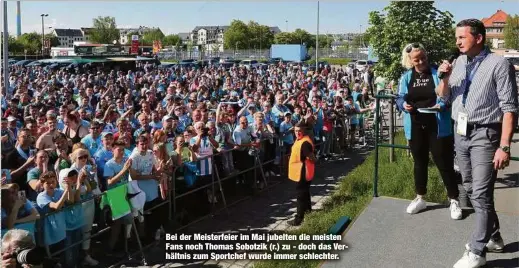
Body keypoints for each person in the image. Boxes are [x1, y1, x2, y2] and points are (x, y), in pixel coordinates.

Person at [437, 19, 518, 268]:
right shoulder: (459, 62)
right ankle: (494, 237)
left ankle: (477, 250)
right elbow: (443, 96)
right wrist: (445, 78)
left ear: (479, 38)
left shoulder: (499, 64)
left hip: (486, 133)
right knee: (471, 188)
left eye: (462, 37)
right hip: (461, 132)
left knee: (481, 192)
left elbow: (509, 109)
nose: (457, 41)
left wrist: (505, 146)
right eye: (457, 37)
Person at [395, 43, 462, 220]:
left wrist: (441, 105)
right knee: (419, 162)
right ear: (410, 60)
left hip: (438, 125)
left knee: (444, 163)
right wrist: (404, 105)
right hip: (416, 124)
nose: (421, 61)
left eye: (423, 57)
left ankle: (454, 199)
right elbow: (400, 97)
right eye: (417, 59)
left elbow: (447, 95)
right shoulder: (406, 77)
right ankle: (420, 197)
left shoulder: (436, 72)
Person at [287, 122, 316, 226]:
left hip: (302, 172)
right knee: (305, 193)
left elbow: (312, 157)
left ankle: (299, 218)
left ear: (304, 130)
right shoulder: (300, 140)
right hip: (301, 171)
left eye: (299, 131)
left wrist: (311, 160)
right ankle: (308, 212)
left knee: (300, 195)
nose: (297, 133)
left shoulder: (304, 143)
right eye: (296, 131)